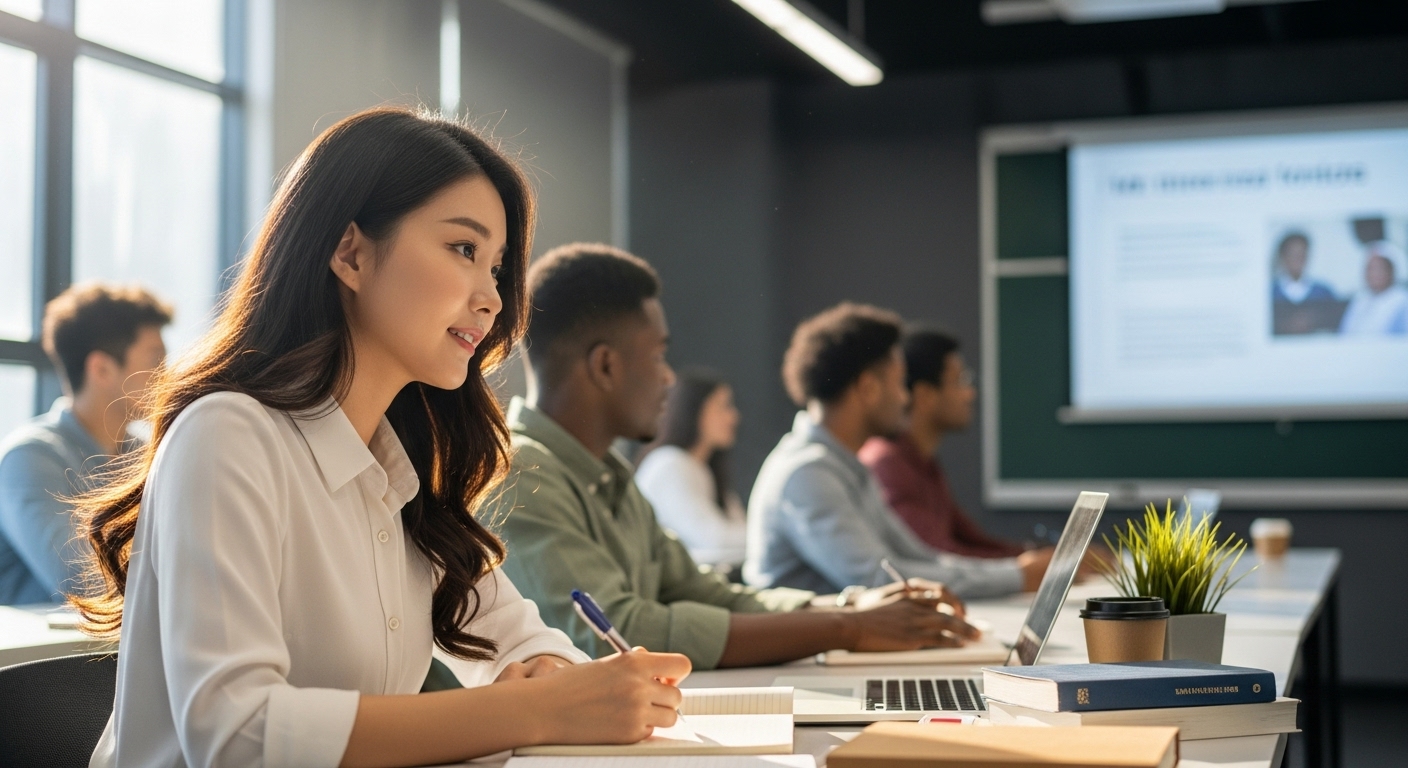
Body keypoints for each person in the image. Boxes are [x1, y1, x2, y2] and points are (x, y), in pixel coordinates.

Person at [73, 109, 691, 768]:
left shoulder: (404, 470)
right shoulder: (228, 436)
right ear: (351, 253)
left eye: (497, 267)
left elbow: (524, 644)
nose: (493, 299)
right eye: (464, 250)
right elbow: (237, 737)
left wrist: (544, 677)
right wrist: (528, 709)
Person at [492, 243, 980, 672]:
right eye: (659, 356)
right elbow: (617, 629)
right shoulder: (520, 475)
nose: (668, 379)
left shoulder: (609, 475)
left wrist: (848, 608)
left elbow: (710, 594)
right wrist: (845, 627)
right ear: (605, 365)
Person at [745, 303, 1052, 599]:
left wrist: (1016, 571)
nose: (905, 399)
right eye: (899, 385)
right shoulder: (808, 474)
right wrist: (1016, 576)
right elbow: (878, 580)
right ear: (868, 388)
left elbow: (920, 556)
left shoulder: (847, 466)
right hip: (812, 649)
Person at [0, 284, 171, 605]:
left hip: (120, 648)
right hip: (50, 655)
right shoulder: (29, 458)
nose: (168, 374)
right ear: (102, 369)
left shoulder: (145, 455)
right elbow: (83, 582)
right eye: (156, 359)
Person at [859, 329, 1026, 559]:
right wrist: (1028, 569)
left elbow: (970, 539)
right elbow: (937, 556)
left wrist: (1036, 557)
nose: (970, 393)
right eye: (960, 381)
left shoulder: (924, 462)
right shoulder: (887, 465)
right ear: (925, 395)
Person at [635, 368, 748, 569]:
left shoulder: (704, 468)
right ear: (694, 411)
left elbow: (737, 529)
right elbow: (714, 541)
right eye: (724, 407)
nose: (734, 417)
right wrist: (775, 536)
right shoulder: (669, 464)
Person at [1271, 231, 1343, 335]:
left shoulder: (1324, 292)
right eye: (1293, 254)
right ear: (1283, 257)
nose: (1298, 259)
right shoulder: (1269, 293)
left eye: (1302, 254)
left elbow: (1336, 327)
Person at [1339, 240, 1408, 335]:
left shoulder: (1402, 300)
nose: (1374, 274)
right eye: (1370, 268)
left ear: (1392, 270)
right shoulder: (1360, 300)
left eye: (1380, 268)